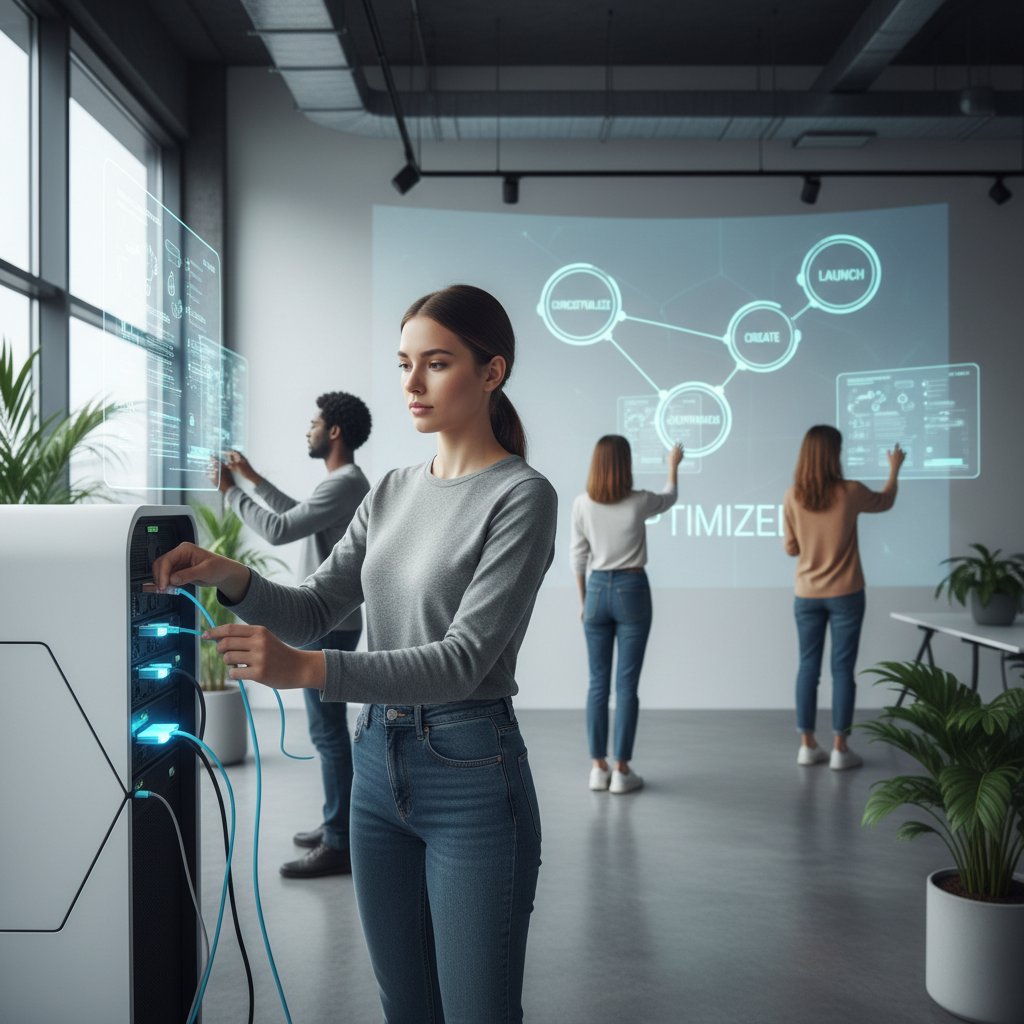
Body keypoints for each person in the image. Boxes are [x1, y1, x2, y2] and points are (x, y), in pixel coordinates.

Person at [153, 284, 557, 1023]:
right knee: (406, 1009)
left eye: (435, 363)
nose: (410, 383)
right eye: (404, 362)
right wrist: (229, 573)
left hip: (471, 772)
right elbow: (313, 610)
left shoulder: (522, 496)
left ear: (491, 372)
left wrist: (311, 671)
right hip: (376, 769)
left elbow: (463, 659)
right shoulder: (394, 489)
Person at [210, 390, 372, 878]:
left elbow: (280, 529)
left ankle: (340, 839)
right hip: (333, 621)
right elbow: (301, 514)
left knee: (327, 735)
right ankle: (335, 824)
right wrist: (254, 480)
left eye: (314, 422)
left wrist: (231, 491)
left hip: (331, 624)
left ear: (334, 432)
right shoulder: (342, 484)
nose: (309, 429)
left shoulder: (347, 483)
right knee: (328, 733)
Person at [783, 425, 905, 769]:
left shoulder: (792, 496)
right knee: (842, 670)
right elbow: (886, 501)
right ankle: (840, 748)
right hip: (847, 593)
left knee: (808, 667)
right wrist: (894, 469)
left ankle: (807, 745)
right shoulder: (850, 492)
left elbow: (790, 547)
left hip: (806, 594)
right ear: (833, 455)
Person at [570, 435, 683, 794]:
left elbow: (578, 557)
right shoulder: (639, 502)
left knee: (597, 684)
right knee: (626, 685)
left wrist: (584, 600)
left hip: (598, 591)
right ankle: (622, 770)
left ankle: (597, 767)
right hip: (633, 590)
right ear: (625, 464)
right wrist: (673, 467)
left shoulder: (582, 504)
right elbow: (670, 498)